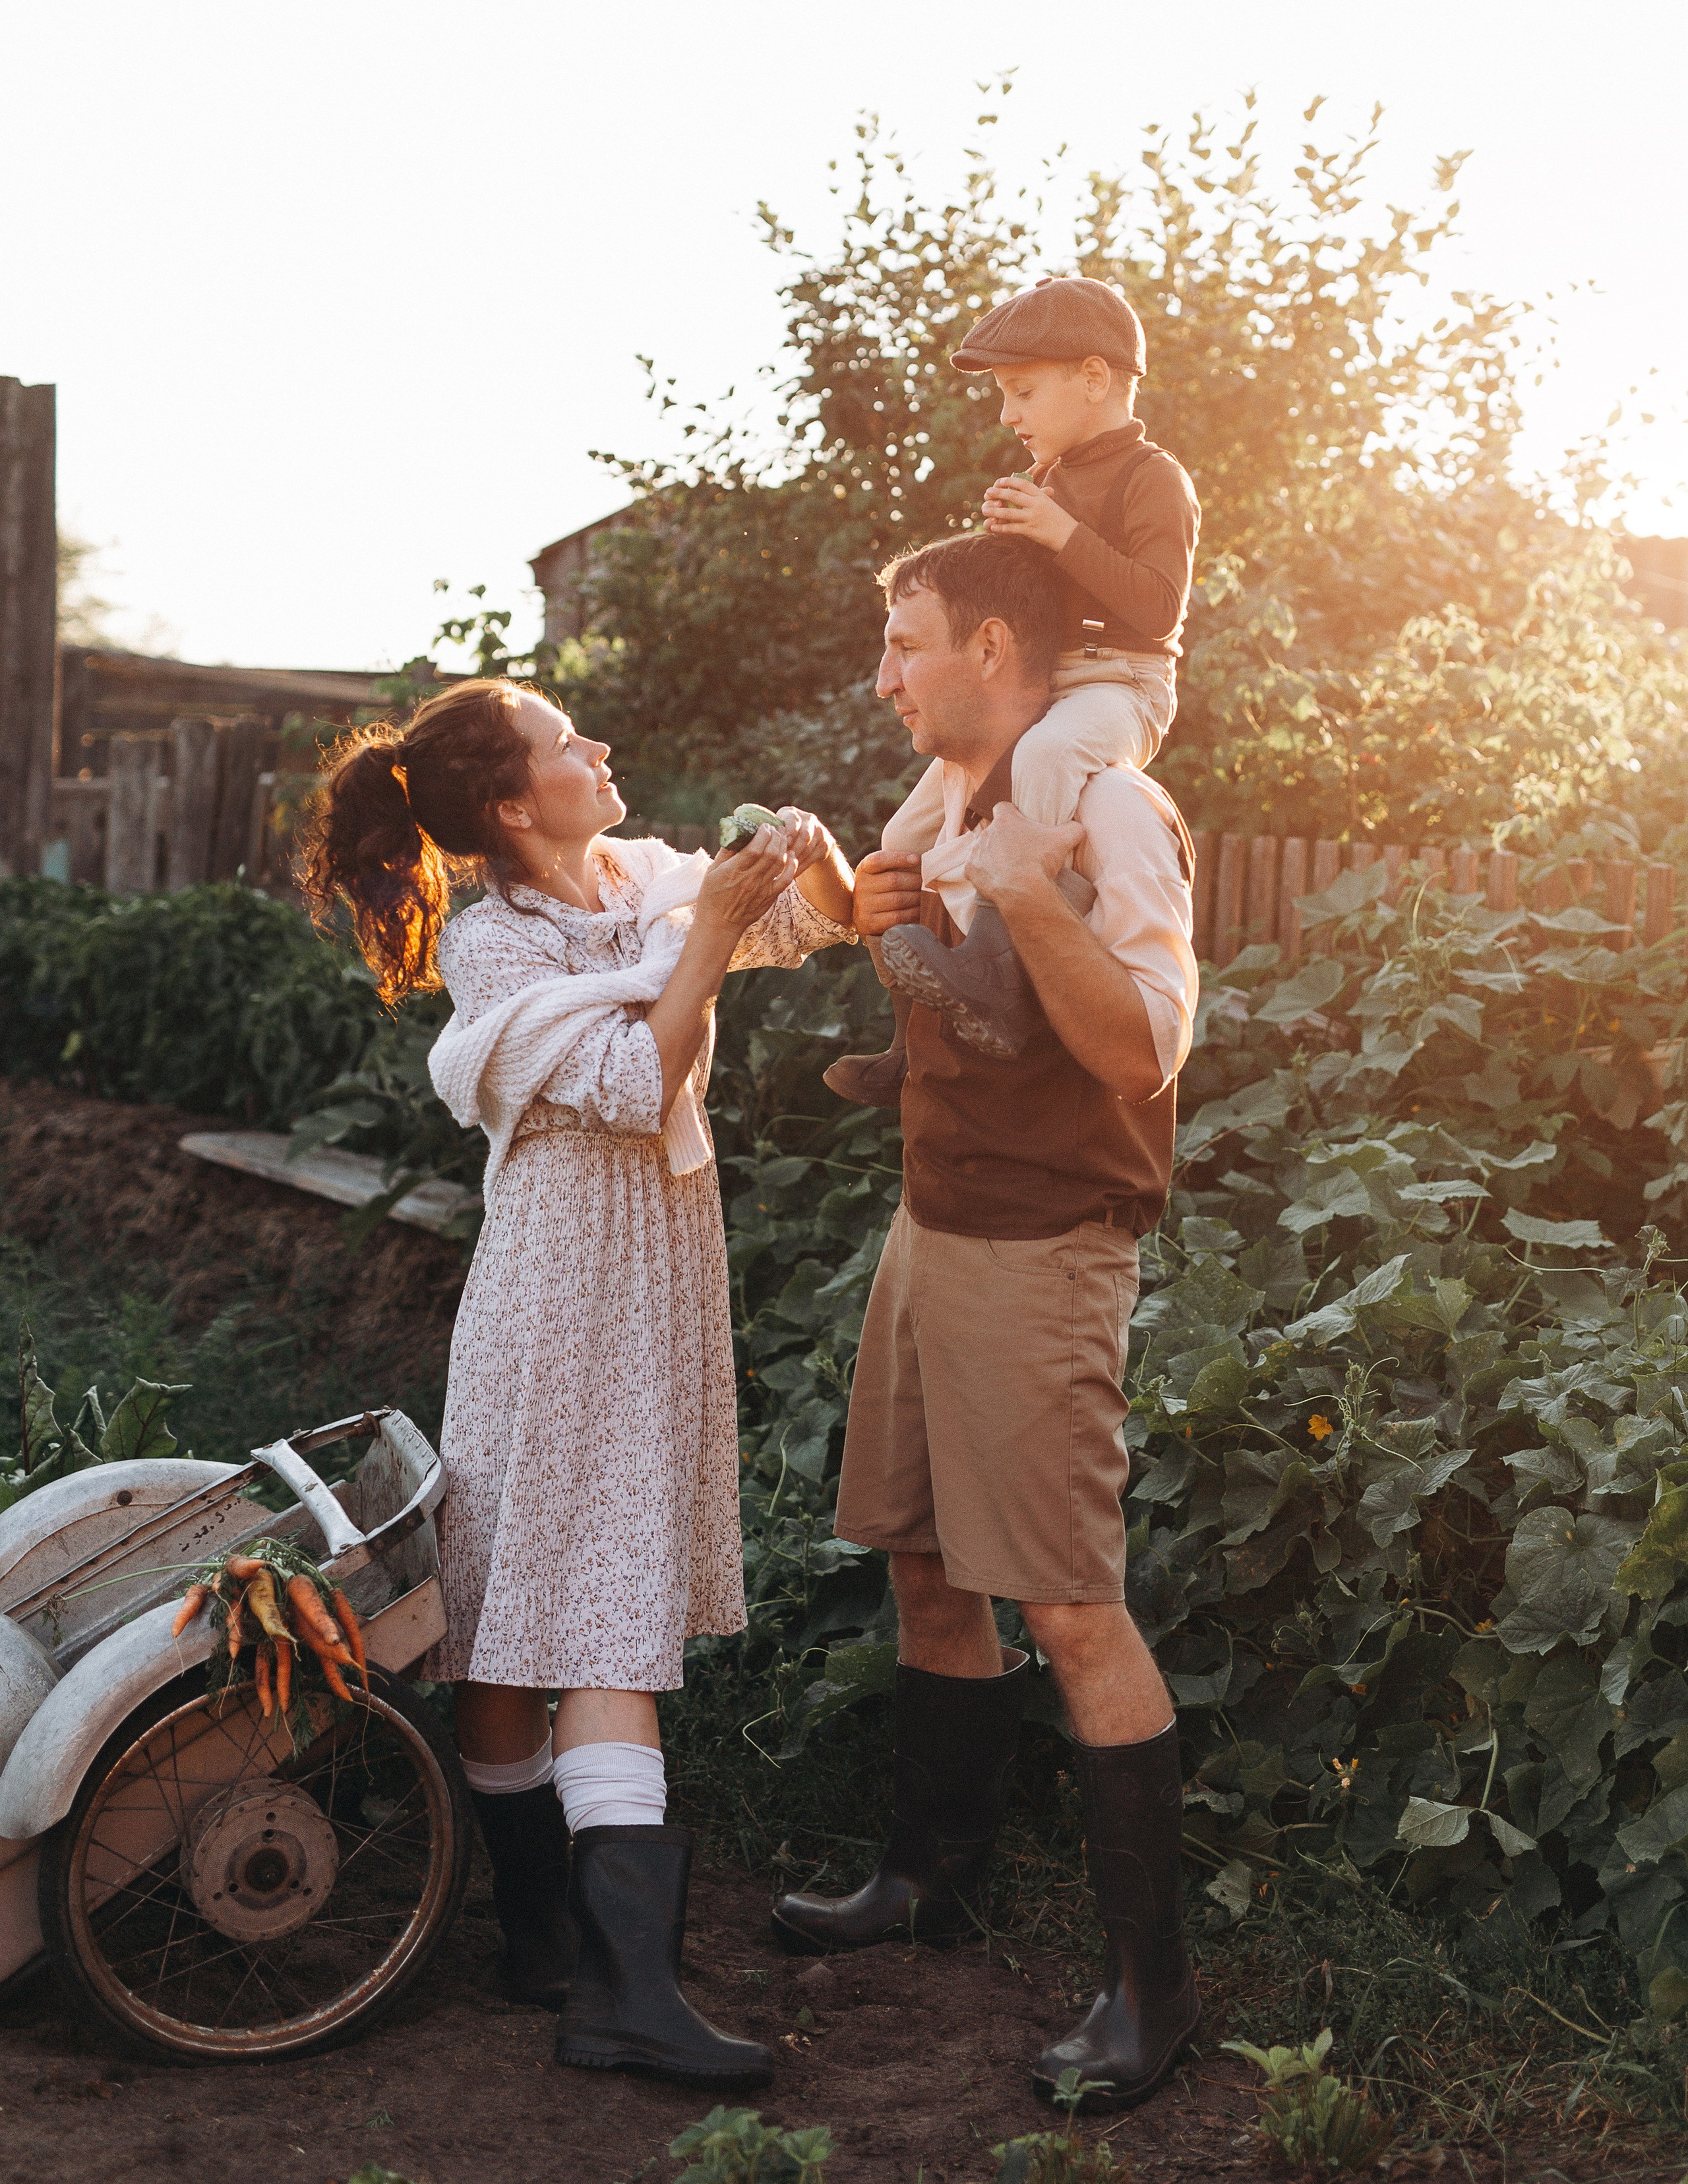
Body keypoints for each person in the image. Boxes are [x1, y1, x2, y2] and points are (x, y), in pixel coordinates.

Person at [302, 678, 856, 2086]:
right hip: (559, 1283)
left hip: (652, 1267)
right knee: (560, 1611)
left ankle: (544, 1945)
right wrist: (713, 935)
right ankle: (607, 1985)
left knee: (533, 1599)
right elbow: (634, 1077)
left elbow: (827, 922)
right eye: (568, 745)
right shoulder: (496, 947)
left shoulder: (635, 883)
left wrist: (810, 858)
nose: (601, 750)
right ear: (507, 804)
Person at [772, 533, 1202, 2110]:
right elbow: (953, 1006)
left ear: (995, 645)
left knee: (1068, 1606)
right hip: (930, 1228)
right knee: (917, 1556)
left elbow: (1139, 1054)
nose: (881, 677)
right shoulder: (938, 802)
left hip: (1041, 1249)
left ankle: (1147, 1994)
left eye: (903, 643)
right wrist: (867, 905)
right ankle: (925, 1880)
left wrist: (1027, 899)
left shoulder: (1101, 807)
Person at [824, 275, 1199, 1107]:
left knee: (1048, 756)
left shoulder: (1152, 478)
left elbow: (1158, 608)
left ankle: (1005, 965)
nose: (1008, 416)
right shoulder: (1050, 478)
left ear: (1095, 379)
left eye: (1022, 392)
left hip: (1122, 684)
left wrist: (1058, 533)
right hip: (1055, 677)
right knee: (904, 831)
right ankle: (907, 1041)